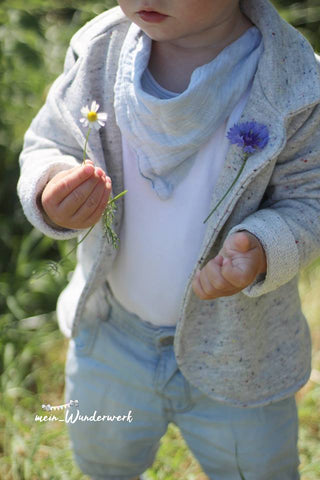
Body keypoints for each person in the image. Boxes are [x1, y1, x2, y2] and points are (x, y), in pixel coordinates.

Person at [17, 0, 320, 478]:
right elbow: (48, 141)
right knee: (104, 460)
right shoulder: (100, 52)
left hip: (241, 352)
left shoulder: (294, 82)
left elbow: (310, 200)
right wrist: (51, 185)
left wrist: (261, 245)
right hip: (115, 337)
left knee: (255, 468)